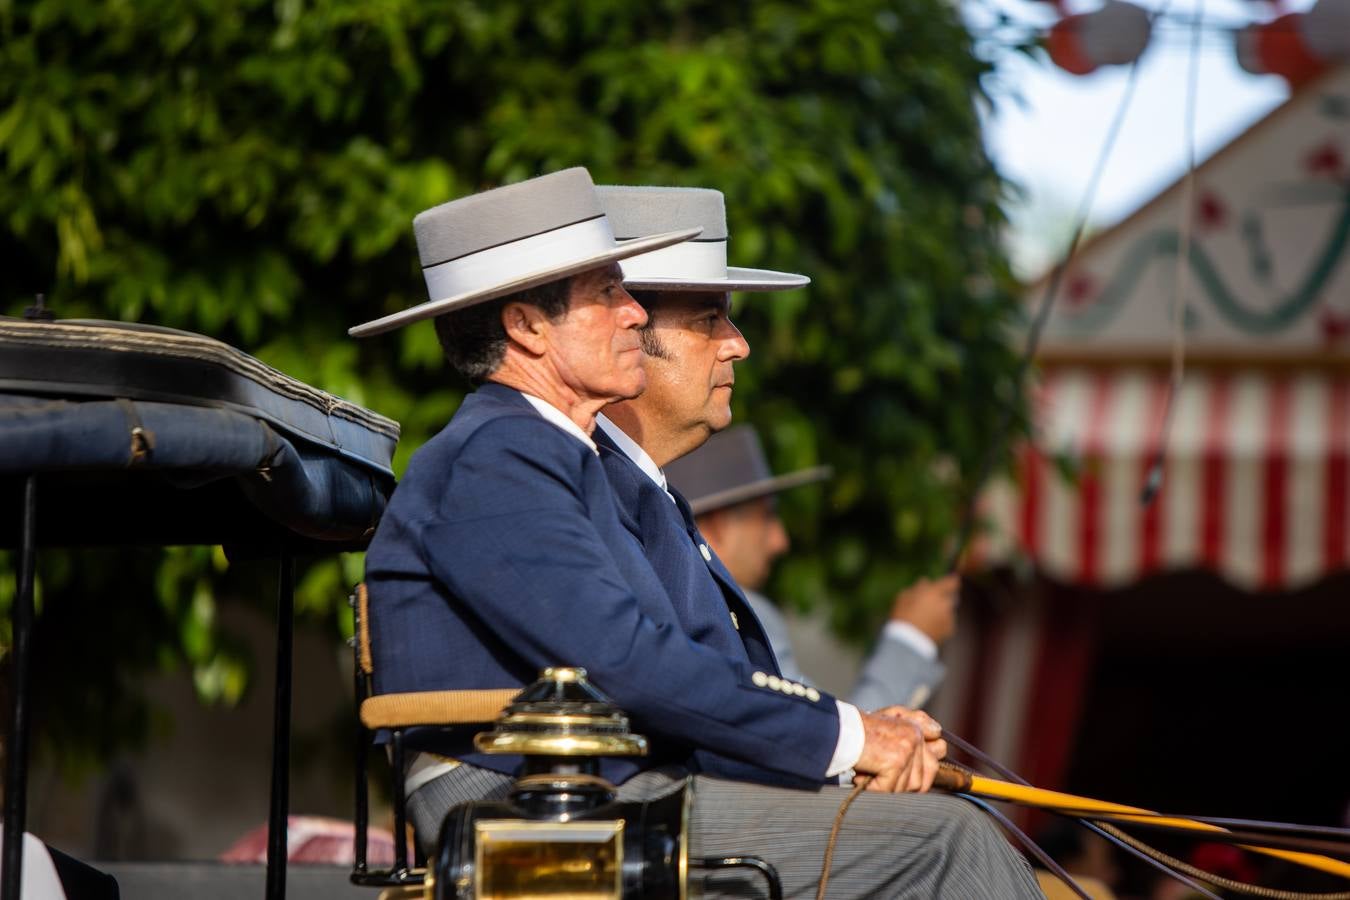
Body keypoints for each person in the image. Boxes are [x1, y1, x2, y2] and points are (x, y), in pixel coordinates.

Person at [352, 169, 1041, 898]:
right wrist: (848, 738)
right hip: (529, 803)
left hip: (606, 787)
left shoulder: (556, 454)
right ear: (525, 327)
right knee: (947, 843)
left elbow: (658, 668)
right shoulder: (497, 454)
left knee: (939, 827)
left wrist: (852, 737)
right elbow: (619, 657)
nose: (632, 316)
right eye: (609, 294)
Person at [666, 424, 959, 711]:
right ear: (719, 527)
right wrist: (911, 638)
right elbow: (826, 745)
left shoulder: (663, 598)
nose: (780, 541)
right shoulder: (739, 612)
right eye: (767, 517)